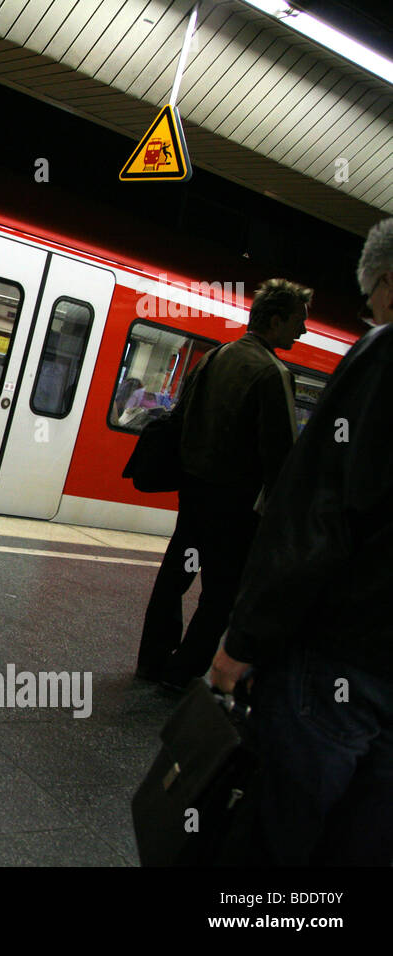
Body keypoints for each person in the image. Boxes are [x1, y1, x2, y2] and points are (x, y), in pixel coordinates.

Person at [209, 218, 393, 865]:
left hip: (341, 660)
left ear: (389, 284)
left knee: (277, 836)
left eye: (371, 299)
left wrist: (243, 641)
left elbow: (319, 512)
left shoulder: (385, 356)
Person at [136, 278, 309, 690]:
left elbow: (181, 417)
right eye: (298, 322)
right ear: (276, 319)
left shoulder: (215, 356)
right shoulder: (272, 373)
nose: (301, 331)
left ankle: (152, 660)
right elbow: (280, 454)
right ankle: (181, 673)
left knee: (174, 577)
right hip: (234, 507)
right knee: (220, 593)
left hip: (194, 494)